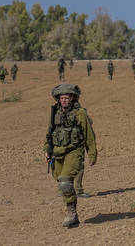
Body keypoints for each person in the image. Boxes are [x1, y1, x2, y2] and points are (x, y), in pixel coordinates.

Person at [45, 84, 97, 227]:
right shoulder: (55, 112)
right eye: (62, 98)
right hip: (58, 152)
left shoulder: (79, 113)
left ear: (72, 98)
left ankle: (71, 212)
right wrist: (47, 150)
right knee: (61, 182)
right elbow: (50, 133)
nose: (64, 101)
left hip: (74, 151)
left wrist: (92, 153)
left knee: (65, 181)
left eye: (67, 98)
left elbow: (89, 134)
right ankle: (72, 210)